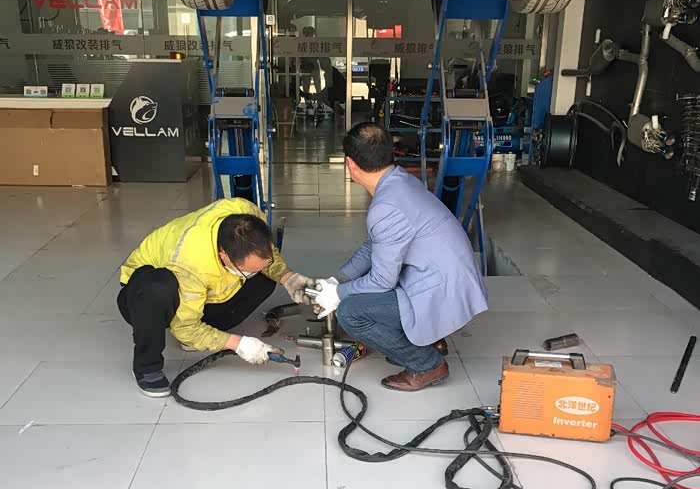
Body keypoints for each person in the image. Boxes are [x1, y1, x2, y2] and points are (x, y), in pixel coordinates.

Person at [313, 122, 487, 391]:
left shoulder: (386, 207)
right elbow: (375, 245)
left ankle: (427, 364)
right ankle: (430, 339)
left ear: (350, 164)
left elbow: (381, 281)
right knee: (360, 293)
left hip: (443, 290)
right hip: (448, 278)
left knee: (351, 312)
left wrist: (338, 295)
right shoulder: (398, 181)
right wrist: (337, 280)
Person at [118, 199, 314, 397]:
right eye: (246, 270)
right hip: (145, 291)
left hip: (201, 286)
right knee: (157, 289)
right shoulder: (189, 263)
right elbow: (185, 328)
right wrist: (239, 344)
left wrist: (287, 278)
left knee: (265, 279)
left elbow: (265, 253)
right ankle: (147, 367)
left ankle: (201, 334)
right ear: (224, 256)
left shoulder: (247, 213)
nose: (252, 272)